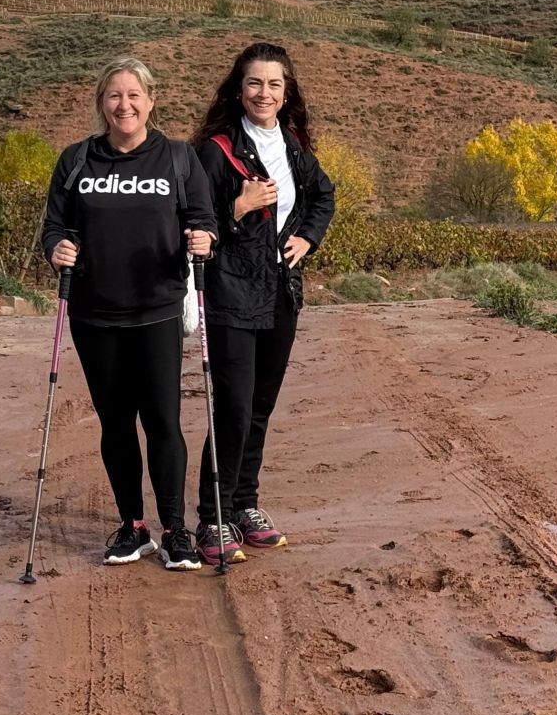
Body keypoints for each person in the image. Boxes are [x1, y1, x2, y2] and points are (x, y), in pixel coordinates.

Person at [41, 55, 217, 569]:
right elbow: (54, 227)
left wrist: (204, 238)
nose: (125, 105)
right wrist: (56, 249)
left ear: (151, 100)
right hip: (94, 314)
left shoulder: (179, 159)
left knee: (163, 421)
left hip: (157, 310)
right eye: (115, 96)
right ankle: (133, 527)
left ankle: (175, 531)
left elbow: (205, 220)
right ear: (102, 103)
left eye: (134, 95)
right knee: (115, 423)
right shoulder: (77, 160)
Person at [190, 43, 337, 565]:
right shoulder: (217, 149)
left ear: (286, 92)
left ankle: (244, 504)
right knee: (232, 406)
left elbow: (324, 194)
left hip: (281, 293)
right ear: (238, 89)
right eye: (255, 83)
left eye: (275, 84)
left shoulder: (293, 144)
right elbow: (194, 220)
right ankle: (213, 516)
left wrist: (308, 239)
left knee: (260, 405)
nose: (264, 93)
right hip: (231, 292)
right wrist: (238, 206)